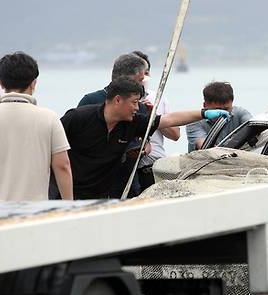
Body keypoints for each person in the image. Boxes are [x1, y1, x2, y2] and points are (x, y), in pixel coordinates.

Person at [60, 77, 228, 199]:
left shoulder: (133, 123)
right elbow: (51, 148)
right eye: (134, 102)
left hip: (102, 196)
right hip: (65, 193)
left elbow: (168, 119)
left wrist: (204, 113)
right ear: (118, 100)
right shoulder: (78, 118)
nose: (137, 107)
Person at [0, 52, 73, 201]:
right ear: (34, 83)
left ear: (1, 83)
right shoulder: (49, 118)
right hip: (35, 212)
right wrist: (69, 207)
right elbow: (63, 166)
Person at [76, 53, 151, 197]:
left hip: (128, 184)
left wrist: (142, 150)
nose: (143, 84)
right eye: (141, 80)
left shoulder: (139, 107)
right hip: (92, 184)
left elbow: (146, 142)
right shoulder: (89, 101)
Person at [132, 50, 180, 190]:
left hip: (153, 166)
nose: (144, 77)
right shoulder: (118, 99)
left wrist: (153, 117)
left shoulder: (158, 98)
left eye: (146, 73)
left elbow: (175, 135)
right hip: (129, 166)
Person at [186, 82, 252, 152]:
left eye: (226, 109)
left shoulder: (241, 114)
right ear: (205, 105)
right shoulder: (194, 121)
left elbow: (254, 128)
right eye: (217, 110)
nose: (223, 113)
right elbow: (204, 147)